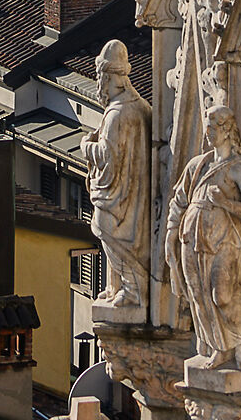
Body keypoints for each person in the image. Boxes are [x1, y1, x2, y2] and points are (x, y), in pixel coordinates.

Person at [165, 107, 241, 374]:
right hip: (192, 240)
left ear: (227, 130)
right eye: (207, 126)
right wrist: (170, 235)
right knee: (199, 297)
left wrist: (225, 203)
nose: (208, 132)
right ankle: (219, 347)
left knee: (222, 296)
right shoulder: (198, 165)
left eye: (213, 127)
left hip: (226, 240)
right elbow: (178, 202)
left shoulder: (239, 169)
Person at [81, 40, 149, 305]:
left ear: (107, 77)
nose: (99, 83)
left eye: (100, 77)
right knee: (114, 237)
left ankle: (132, 290)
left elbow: (107, 158)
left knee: (107, 232)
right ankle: (113, 287)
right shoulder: (140, 106)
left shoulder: (115, 115)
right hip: (135, 192)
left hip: (118, 196)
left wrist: (86, 146)